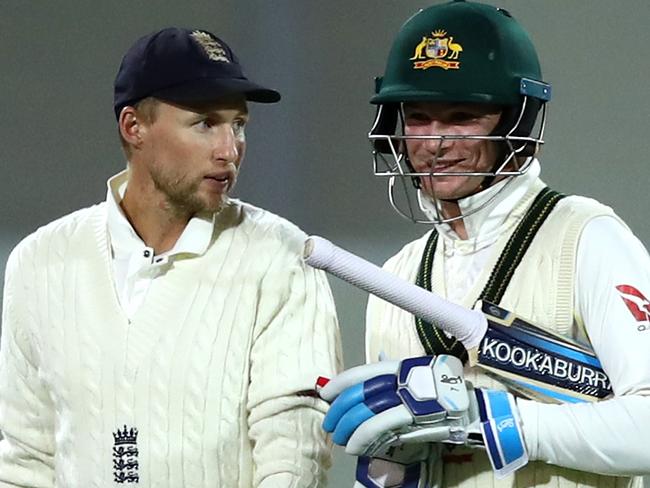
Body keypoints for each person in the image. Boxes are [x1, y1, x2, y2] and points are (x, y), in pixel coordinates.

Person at [319, 1, 650, 487]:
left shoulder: (587, 237)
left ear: (516, 122)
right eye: (419, 116)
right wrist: (389, 461)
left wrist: (488, 420)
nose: (435, 143)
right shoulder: (396, 277)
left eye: (462, 116)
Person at [0, 27, 342, 487]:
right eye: (205, 123)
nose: (229, 150)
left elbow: (294, 450)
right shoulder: (40, 263)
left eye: (238, 125)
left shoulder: (280, 256)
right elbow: (24, 459)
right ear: (133, 127)